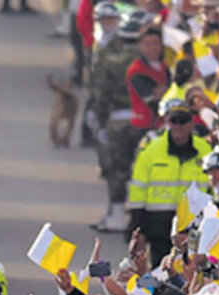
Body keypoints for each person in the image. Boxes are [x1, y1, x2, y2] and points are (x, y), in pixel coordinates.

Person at [126, 99, 210, 264]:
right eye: (173, 121)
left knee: (190, 272)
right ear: (166, 122)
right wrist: (137, 228)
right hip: (158, 225)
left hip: (194, 226)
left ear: (192, 123)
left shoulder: (205, 150)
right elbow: (137, 191)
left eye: (183, 121)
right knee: (160, 273)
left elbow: (214, 187)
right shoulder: (151, 150)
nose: (178, 126)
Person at [90, 14, 142, 232]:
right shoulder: (147, 62)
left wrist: (99, 121)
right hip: (143, 122)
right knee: (141, 170)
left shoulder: (110, 63)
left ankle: (118, 214)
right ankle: (137, 216)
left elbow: (102, 94)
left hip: (118, 120)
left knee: (117, 170)